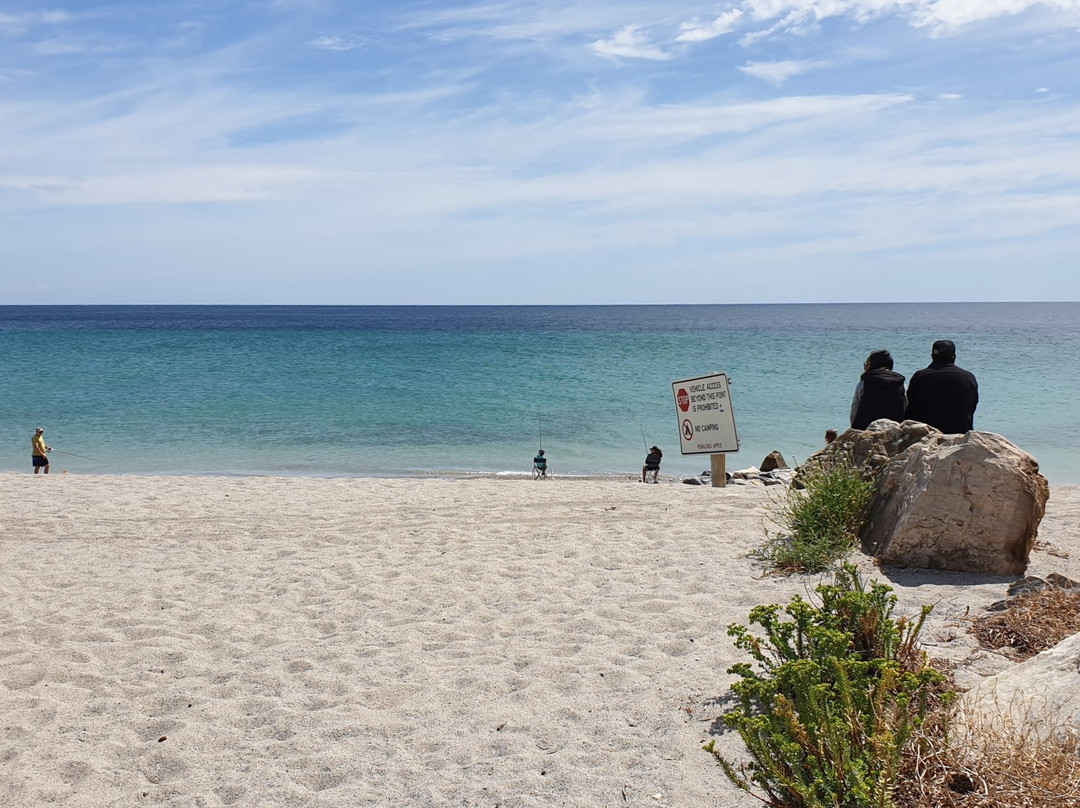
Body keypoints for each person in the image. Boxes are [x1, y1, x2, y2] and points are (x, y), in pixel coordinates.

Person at [905, 339, 979, 434]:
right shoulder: (968, 377)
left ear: (932, 356)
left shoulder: (920, 376)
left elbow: (911, 405)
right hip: (959, 432)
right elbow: (972, 405)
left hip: (926, 433)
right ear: (954, 357)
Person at [850, 349, 907, 429]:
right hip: (893, 429)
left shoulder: (864, 383)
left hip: (866, 429)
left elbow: (855, 409)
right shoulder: (901, 384)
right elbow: (905, 407)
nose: (865, 367)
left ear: (871, 365)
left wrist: (853, 429)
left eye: (866, 364)